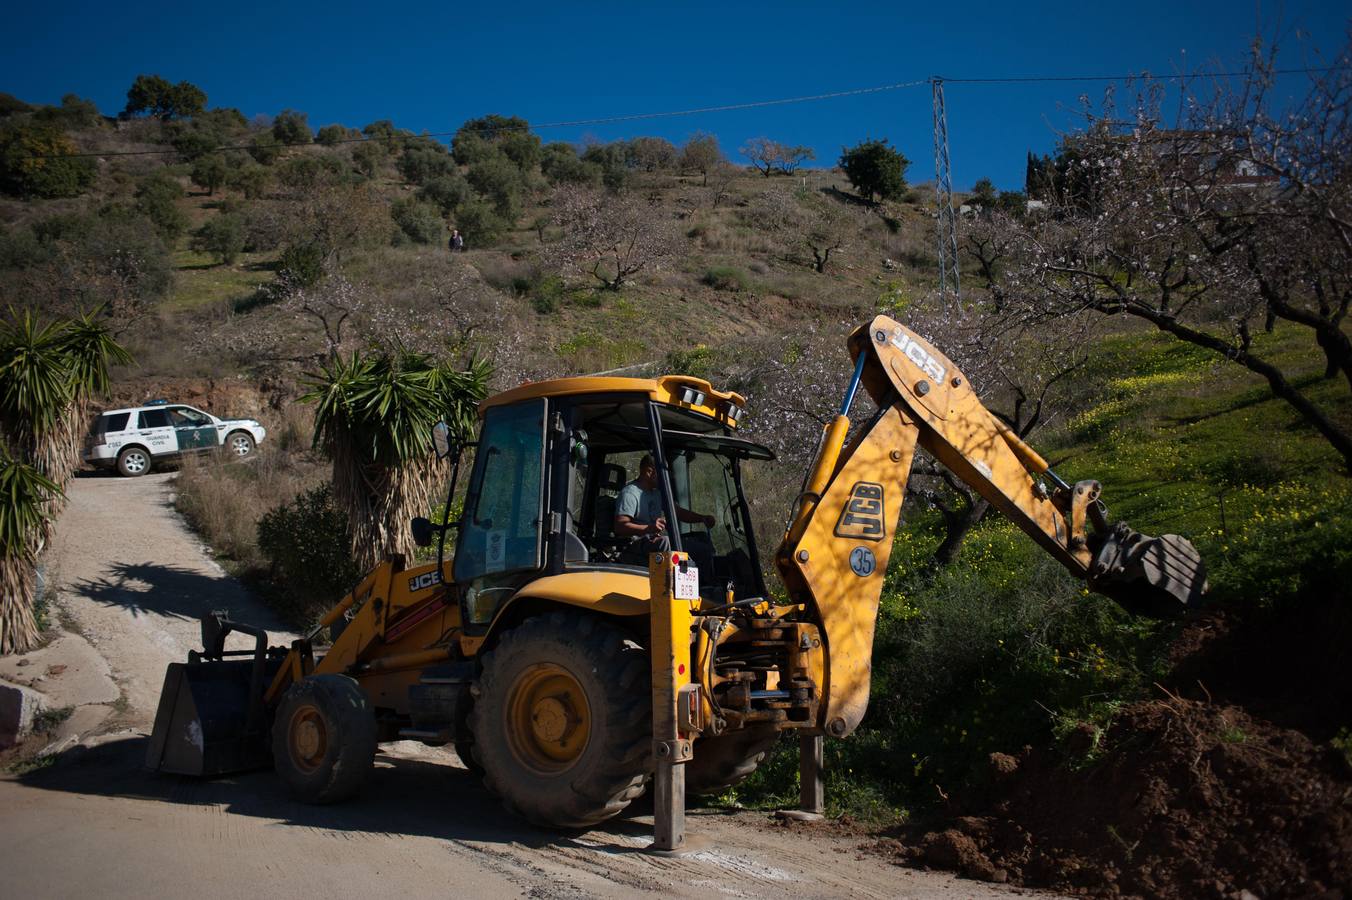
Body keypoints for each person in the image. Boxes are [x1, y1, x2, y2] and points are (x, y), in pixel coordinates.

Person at [614, 454, 714, 557]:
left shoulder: (657, 493)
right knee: (665, 542)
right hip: (635, 546)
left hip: (654, 541)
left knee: (701, 541)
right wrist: (649, 528)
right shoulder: (630, 493)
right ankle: (669, 573)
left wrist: (702, 518)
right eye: (662, 473)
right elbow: (620, 526)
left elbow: (677, 512)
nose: (665, 477)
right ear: (649, 472)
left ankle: (704, 573)